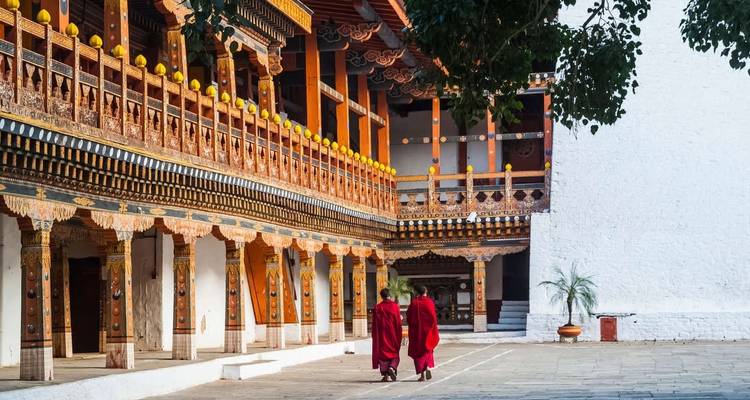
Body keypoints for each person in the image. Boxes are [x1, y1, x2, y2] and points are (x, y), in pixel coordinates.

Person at [407, 285, 439, 381]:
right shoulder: (429, 302)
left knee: (418, 352)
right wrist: (433, 329)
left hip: (416, 332)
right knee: (427, 349)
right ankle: (428, 367)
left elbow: (409, 318)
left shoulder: (414, 303)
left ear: (417, 293)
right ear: (426, 292)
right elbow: (433, 317)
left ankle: (422, 375)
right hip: (427, 332)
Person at [371, 288, 403, 382]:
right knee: (394, 353)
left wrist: (375, 336)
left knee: (383, 356)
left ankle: (386, 376)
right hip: (393, 334)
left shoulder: (378, 307)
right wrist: (399, 334)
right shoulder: (394, 306)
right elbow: (398, 322)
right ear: (390, 295)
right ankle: (392, 368)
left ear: (381, 296)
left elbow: (375, 324)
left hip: (381, 335)